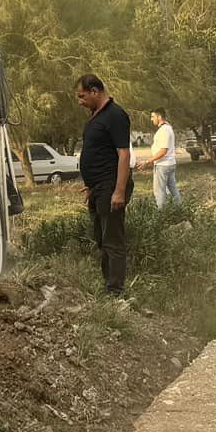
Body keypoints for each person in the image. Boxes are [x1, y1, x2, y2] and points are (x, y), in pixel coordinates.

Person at [74, 74, 133, 295]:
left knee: (113, 240)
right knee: (101, 239)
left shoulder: (115, 115)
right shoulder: (95, 117)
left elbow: (124, 154)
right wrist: (90, 185)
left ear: (95, 91)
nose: (80, 101)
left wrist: (119, 191)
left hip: (111, 186)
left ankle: (115, 292)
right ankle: (108, 284)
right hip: (98, 188)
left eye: (82, 96)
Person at [135, 109, 179, 209]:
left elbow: (163, 151)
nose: (151, 119)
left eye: (152, 117)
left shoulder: (164, 130)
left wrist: (147, 162)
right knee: (173, 190)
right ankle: (180, 211)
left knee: (159, 192)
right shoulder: (167, 128)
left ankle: (161, 216)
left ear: (159, 117)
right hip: (169, 164)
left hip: (163, 165)